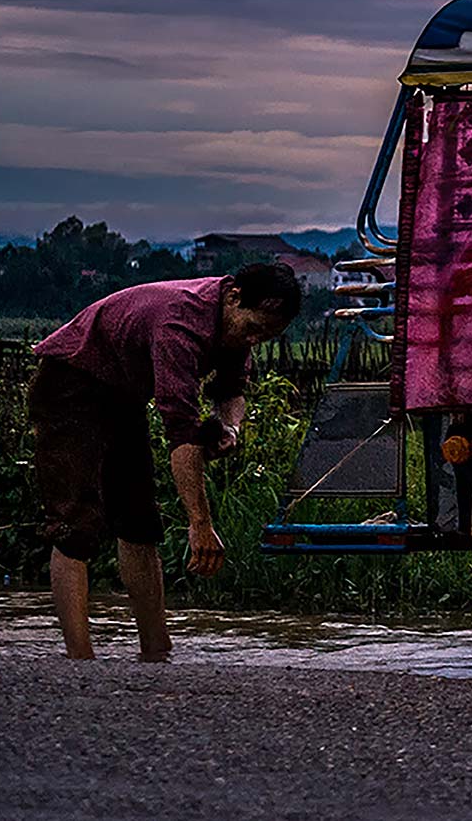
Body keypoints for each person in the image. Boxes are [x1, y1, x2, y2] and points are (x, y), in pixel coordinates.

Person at [27, 261, 303, 659]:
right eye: (253, 328)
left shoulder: (235, 329)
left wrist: (230, 429)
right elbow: (181, 431)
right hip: (71, 382)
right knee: (76, 522)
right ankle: (79, 661)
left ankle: (156, 651)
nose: (254, 340)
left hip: (123, 392)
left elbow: (231, 391)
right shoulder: (181, 324)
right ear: (234, 298)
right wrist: (200, 524)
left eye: (266, 335)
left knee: (139, 522)